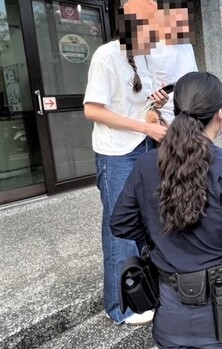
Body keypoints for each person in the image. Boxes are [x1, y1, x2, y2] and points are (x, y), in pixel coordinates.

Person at [110, 72, 222, 349]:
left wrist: (157, 243)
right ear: (220, 115)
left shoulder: (147, 164)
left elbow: (120, 223)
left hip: (171, 308)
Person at [83, 0, 169, 326]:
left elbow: (141, 106)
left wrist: (155, 106)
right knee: (119, 226)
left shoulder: (145, 56)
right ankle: (120, 307)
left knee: (145, 221)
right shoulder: (106, 56)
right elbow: (93, 110)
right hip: (115, 152)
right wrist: (146, 126)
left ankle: (143, 290)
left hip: (142, 145)